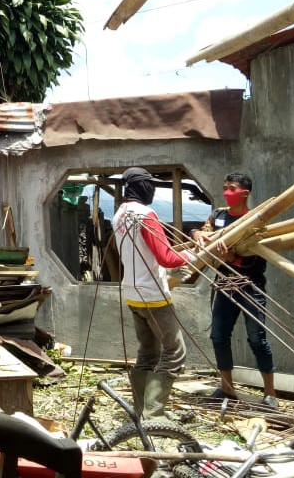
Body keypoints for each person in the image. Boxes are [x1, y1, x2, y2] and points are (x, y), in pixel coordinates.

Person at [113, 167, 197, 420]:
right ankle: (154, 413)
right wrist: (191, 256)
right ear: (142, 187)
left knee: (147, 352)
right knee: (174, 353)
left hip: (132, 292)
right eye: (150, 185)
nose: (153, 189)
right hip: (154, 295)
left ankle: (139, 410)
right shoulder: (146, 215)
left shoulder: (119, 214)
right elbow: (167, 258)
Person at [192, 172, 277, 408]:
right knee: (218, 336)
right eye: (225, 188)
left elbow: (259, 259)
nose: (227, 193)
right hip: (223, 285)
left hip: (249, 285)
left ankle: (270, 394)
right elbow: (201, 230)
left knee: (257, 340)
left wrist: (233, 257)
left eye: (232, 188)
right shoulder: (218, 215)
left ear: (245, 193)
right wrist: (199, 234)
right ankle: (227, 389)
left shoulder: (254, 220)